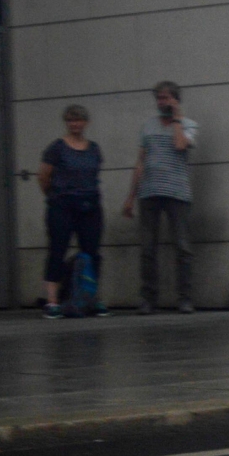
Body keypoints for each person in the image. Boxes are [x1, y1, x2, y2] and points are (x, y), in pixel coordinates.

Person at [122, 80, 197, 314]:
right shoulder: (147, 127)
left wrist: (176, 118)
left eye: (165, 98)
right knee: (147, 249)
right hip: (149, 193)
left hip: (177, 193)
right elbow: (140, 162)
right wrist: (130, 197)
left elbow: (179, 145)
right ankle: (148, 298)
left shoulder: (189, 125)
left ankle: (185, 298)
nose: (161, 102)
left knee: (183, 247)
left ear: (175, 99)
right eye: (159, 98)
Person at [37, 105, 106, 317]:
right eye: (71, 120)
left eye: (78, 120)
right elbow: (43, 176)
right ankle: (52, 301)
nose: (75, 124)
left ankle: (90, 298)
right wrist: (54, 196)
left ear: (85, 123)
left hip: (90, 207)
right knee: (57, 250)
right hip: (62, 207)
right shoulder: (56, 148)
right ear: (66, 123)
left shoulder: (94, 148)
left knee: (91, 253)